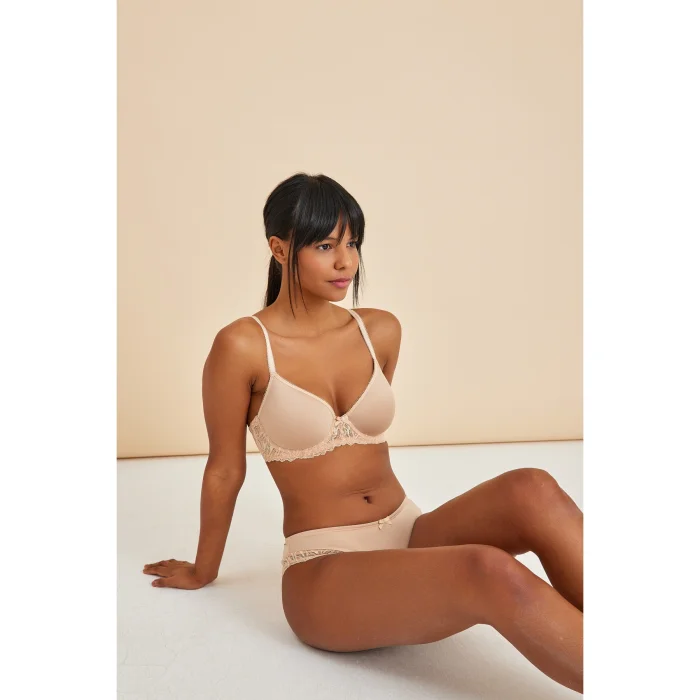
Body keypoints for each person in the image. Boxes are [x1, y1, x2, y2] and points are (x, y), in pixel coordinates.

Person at [143, 173, 584, 693]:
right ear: (279, 250)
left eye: (352, 243)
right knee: (489, 570)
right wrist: (204, 569)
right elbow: (224, 470)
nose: (345, 262)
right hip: (326, 569)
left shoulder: (379, 330)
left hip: (409, 533)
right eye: (324, 246)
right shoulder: (241, 346)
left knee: (531, 488)